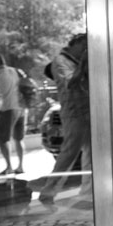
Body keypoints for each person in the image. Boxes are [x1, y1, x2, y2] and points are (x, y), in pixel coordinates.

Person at [40, 38, 92, 206]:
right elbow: (71, 83)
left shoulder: (74, 61)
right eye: (84, 46)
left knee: (91, 154)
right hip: (74, 113)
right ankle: (48, 191)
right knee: (69, 153)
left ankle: (88, 192)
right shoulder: (60, 62)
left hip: (86, 112)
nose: (85, 49)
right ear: (75, 45)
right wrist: (84, 63)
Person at [0, 54, 26, 175]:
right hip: (22, 108)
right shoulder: (17, 71)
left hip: (9, 109)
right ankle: (20, 166)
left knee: (2, 138)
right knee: (18, 139)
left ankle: (8, 167)